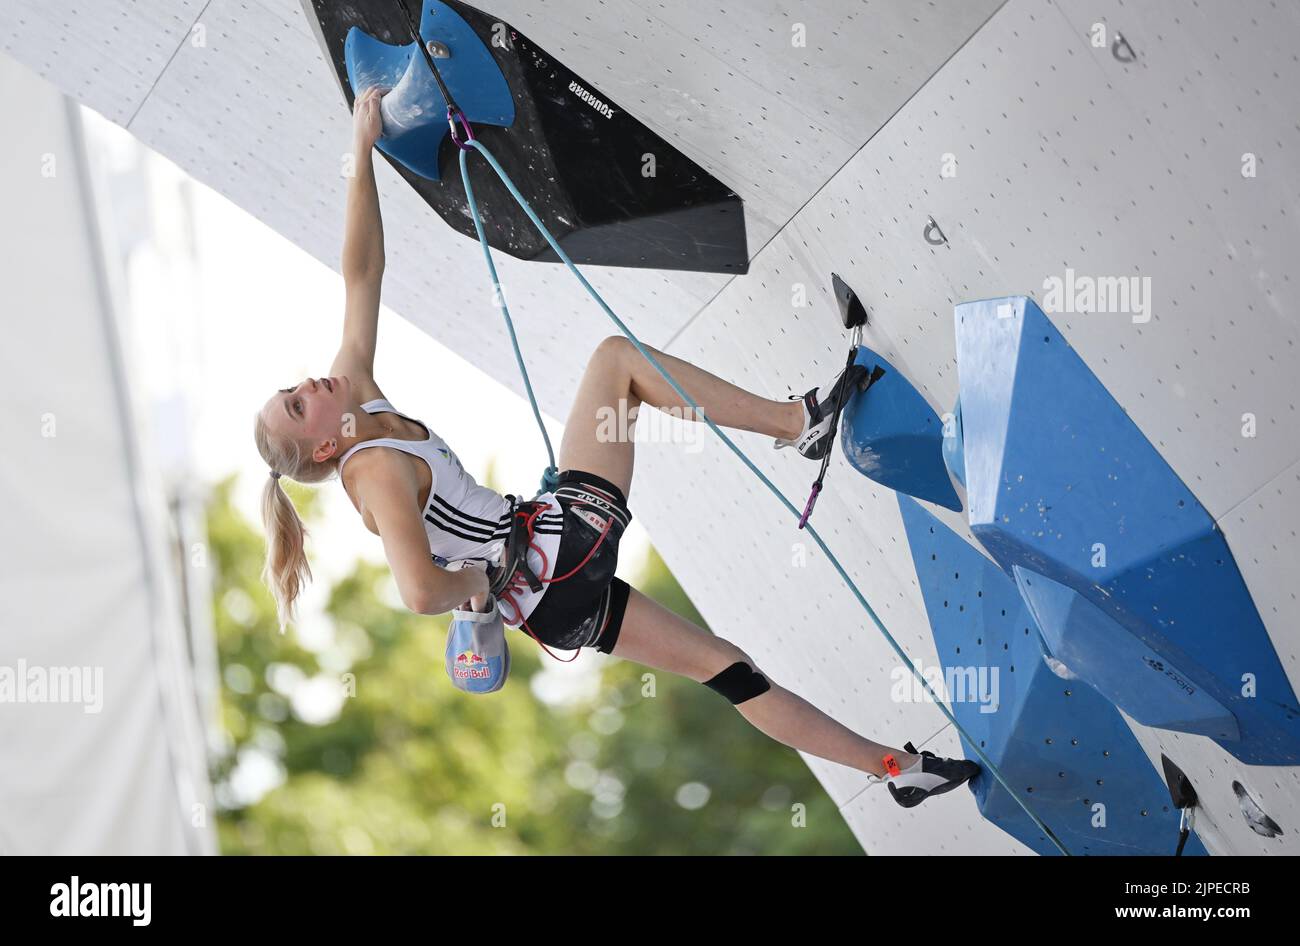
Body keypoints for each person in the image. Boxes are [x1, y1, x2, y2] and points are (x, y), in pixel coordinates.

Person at [253, 86, 978, 809]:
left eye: (294, 390)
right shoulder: (373, 469)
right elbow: (417, 590)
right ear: (319, 449)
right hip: (549, 555)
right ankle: (798, 425)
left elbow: (361, 271)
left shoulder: (355, 395)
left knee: (728, 669)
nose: (308, 385)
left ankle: (895, 768)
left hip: (554, 597)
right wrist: (474, 586)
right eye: (297, 405)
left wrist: (361, 148)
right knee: (616, 362)